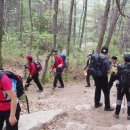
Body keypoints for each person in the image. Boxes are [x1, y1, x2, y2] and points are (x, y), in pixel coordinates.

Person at [91, 46, 114, 111]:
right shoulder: (106, 60)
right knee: (106, 92)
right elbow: (109, 71)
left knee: (97, 89)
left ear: (101, 51)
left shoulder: (96, 57)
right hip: (103, 77)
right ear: (107, 52)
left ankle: (96, 103)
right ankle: (107, 107)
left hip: (96, 76)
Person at [113, 54, 130, 120]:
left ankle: (116, 113)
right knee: (129, 101)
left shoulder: (120, 67)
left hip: (121, 87)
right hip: (129, 88)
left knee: (119, 100)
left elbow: (116, 76)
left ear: (124, 60)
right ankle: (129, 115)